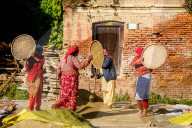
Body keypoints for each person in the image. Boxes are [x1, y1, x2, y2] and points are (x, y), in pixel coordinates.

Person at [51, 45, 92, 111]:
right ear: (75, 52)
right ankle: (71, 109)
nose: (77, 54)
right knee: (72, 94)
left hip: (64, 79)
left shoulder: (64, 57)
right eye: (77, 52)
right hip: (72, 79)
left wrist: (59, 77)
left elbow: (59, 68)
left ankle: (60, 106)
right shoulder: (73, 58)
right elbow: (80, 66)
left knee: (64, 94)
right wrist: (88, 60)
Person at [130, 47, 152, 117]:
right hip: (140, 77)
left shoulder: (147, 58)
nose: (136, 53)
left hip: (146, 76)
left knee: (145, 94)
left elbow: (151, 67)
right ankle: (140, 110)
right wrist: (138, 60)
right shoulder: (136, 58)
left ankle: (144, 111)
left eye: (137, 52)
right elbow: (131, 65)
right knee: (139, 95)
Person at [25, 45, 45, 111]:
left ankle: (38, 107)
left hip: (39, 78)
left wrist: (33, 57)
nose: (41, 53)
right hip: (32, 78)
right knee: (32, 93)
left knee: (39, 93)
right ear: (36, 52)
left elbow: (41, 63)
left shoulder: (42, 58)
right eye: (40, 52)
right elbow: (28, 69)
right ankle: (30, 108)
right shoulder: (30, 58)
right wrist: (27, 62)